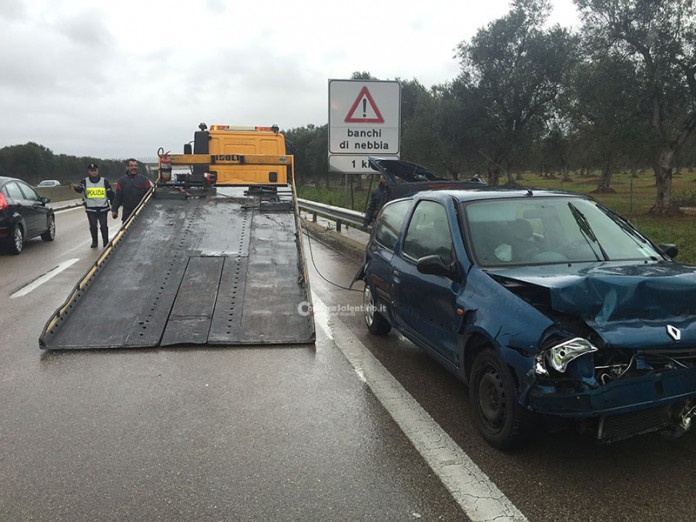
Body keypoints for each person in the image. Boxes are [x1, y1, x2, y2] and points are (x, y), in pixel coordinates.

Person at [72, 163, 114, 248]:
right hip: (91, 209)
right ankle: (94, 241)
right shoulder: (85, 181)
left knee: (103, 226)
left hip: (103, 208)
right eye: (91, 171)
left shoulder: (104, 181)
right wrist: (77, 188)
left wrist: (114, 205)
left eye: (95, 170)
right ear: (88, 172)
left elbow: (110, 193)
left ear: (98, 171)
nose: (93, 172)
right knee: (93, 226)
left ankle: (106, 242)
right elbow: (80, 189)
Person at [111, 158, 152, 223]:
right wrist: (114, 210)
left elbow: (150, 197)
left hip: (142, 213)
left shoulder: (144, 181)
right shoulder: (121, 182)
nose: (134, 167)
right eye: (131, 166)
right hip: (127, 214)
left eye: (135, 166)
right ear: (127, 167)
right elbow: (118, 197)